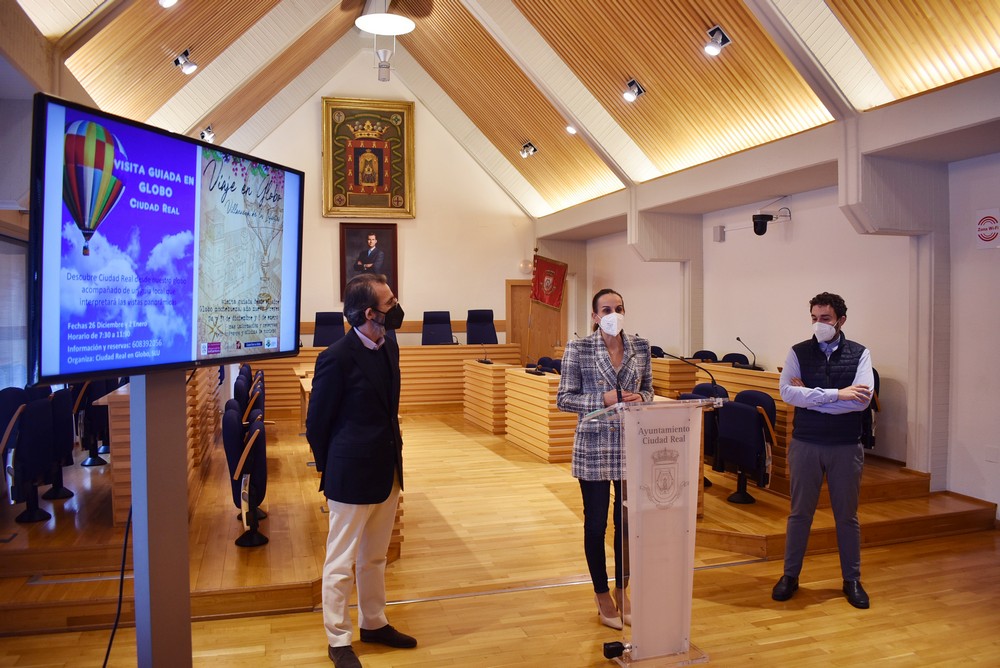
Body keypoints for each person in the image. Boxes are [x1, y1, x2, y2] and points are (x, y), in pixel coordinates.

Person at [306, 273, 415, 668]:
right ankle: (338, 638)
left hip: (387, 470)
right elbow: (316, 425)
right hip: (350, 475)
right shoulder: (335, 357)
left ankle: (374, 622)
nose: (397, 306)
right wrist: (332, 468)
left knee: (374, 557)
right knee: (341, 561)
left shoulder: (391, 346)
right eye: (390, 302)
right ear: (369, 313)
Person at [556, 288, 653, 629]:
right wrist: (605, 398)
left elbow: (650, 390)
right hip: (594, 446)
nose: (614, 313)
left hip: (631, 446)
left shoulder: (640, 347)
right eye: (607, 309)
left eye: (619, 307)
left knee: (626, 525)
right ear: (595, 316)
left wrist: (641, 396)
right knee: (596, 524)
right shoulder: (579, 347)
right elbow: (565, 399)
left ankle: (622, 589)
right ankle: (601, 595)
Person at [772, 291, 874, 609]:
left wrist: (815, 397)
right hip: (806, 443)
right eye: (814, 318)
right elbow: (788, 393)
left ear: (841, 320)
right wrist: (837, 395)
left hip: (846, 446)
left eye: (825, 319)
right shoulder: (798, 352)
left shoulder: (860, 353)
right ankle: (790, 576)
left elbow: (863, 399)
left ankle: (852, 580)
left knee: (847, 517)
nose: (819, 324)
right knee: (800, 514)